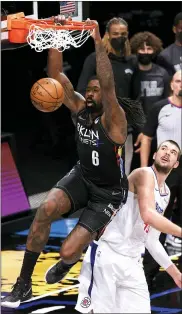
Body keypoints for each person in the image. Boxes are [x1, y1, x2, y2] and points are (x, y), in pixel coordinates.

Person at [1, 19, 131, 308]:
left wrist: (98, 42)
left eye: (95, 91)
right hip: (83, 177)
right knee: (45, 209)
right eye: (90, 90)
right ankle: (23, 284)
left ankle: (68, 261)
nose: (91, 93)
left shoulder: (114, 119)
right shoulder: (79, 109)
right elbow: (57, 76)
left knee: (66, 251)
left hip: (107, 193)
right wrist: (56, 38)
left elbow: (108, 85)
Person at [75, 140, 182, 314]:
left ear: (176, 164)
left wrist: (175, 273)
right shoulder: (143, 174)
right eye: (163, 148)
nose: (167, 153)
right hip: (108, 255)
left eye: (173, 152)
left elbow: (152, 241)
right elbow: (148, 214)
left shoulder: (166, 193)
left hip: (133, 262)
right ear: (154, 155)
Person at [140, 69, 182, 289]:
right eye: (178, 81)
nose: (181, 85)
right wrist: (146, 170)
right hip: (166, 173)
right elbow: (146, 138)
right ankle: (147, 275)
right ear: (172, 85)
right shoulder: (159, 108)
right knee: (157, 226)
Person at [129, 31, 171, 172]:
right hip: (136, 129)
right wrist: (141, 131)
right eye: (142, 49)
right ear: (136, 50)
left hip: (159, 129)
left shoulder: (163, 74)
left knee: (159, 167)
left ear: (155, 50)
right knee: (137, 168)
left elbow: (167, 103)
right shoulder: (131, 74)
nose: (145, 52)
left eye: (149, 49)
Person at [77, 17, 135, 99]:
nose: (119, 37)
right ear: (107, 35)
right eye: (115, 34)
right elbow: (82, 89)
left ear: (127, 34)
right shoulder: (95, 58)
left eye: (123, 34)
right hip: (102, 110)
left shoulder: (132, 61)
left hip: (125, 110)